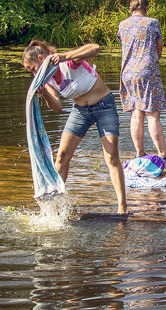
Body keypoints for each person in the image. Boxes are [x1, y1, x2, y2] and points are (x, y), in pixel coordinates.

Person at [22, 39, 127, 215]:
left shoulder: (67, 61)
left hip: (104, 106)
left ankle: (122, 207)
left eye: (32, 69)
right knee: (62, 156)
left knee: (111, 157)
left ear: (41, 58)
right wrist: (45, 93)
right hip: (80, 111)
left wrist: (64, 56)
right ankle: (55, 206)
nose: (33, 74)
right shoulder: (47, 80)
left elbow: (95, 48)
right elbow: (57, 107)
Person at [117, 0, 166, 160]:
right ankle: (163, 153)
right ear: (146, 8)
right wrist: (154, 61)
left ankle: (139, 153)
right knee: (152, 114)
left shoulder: (123, 25)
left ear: (131, 9)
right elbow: (159, 46)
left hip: (127, 73)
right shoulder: (152, 23)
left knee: (136, 114)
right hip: (147, 72)